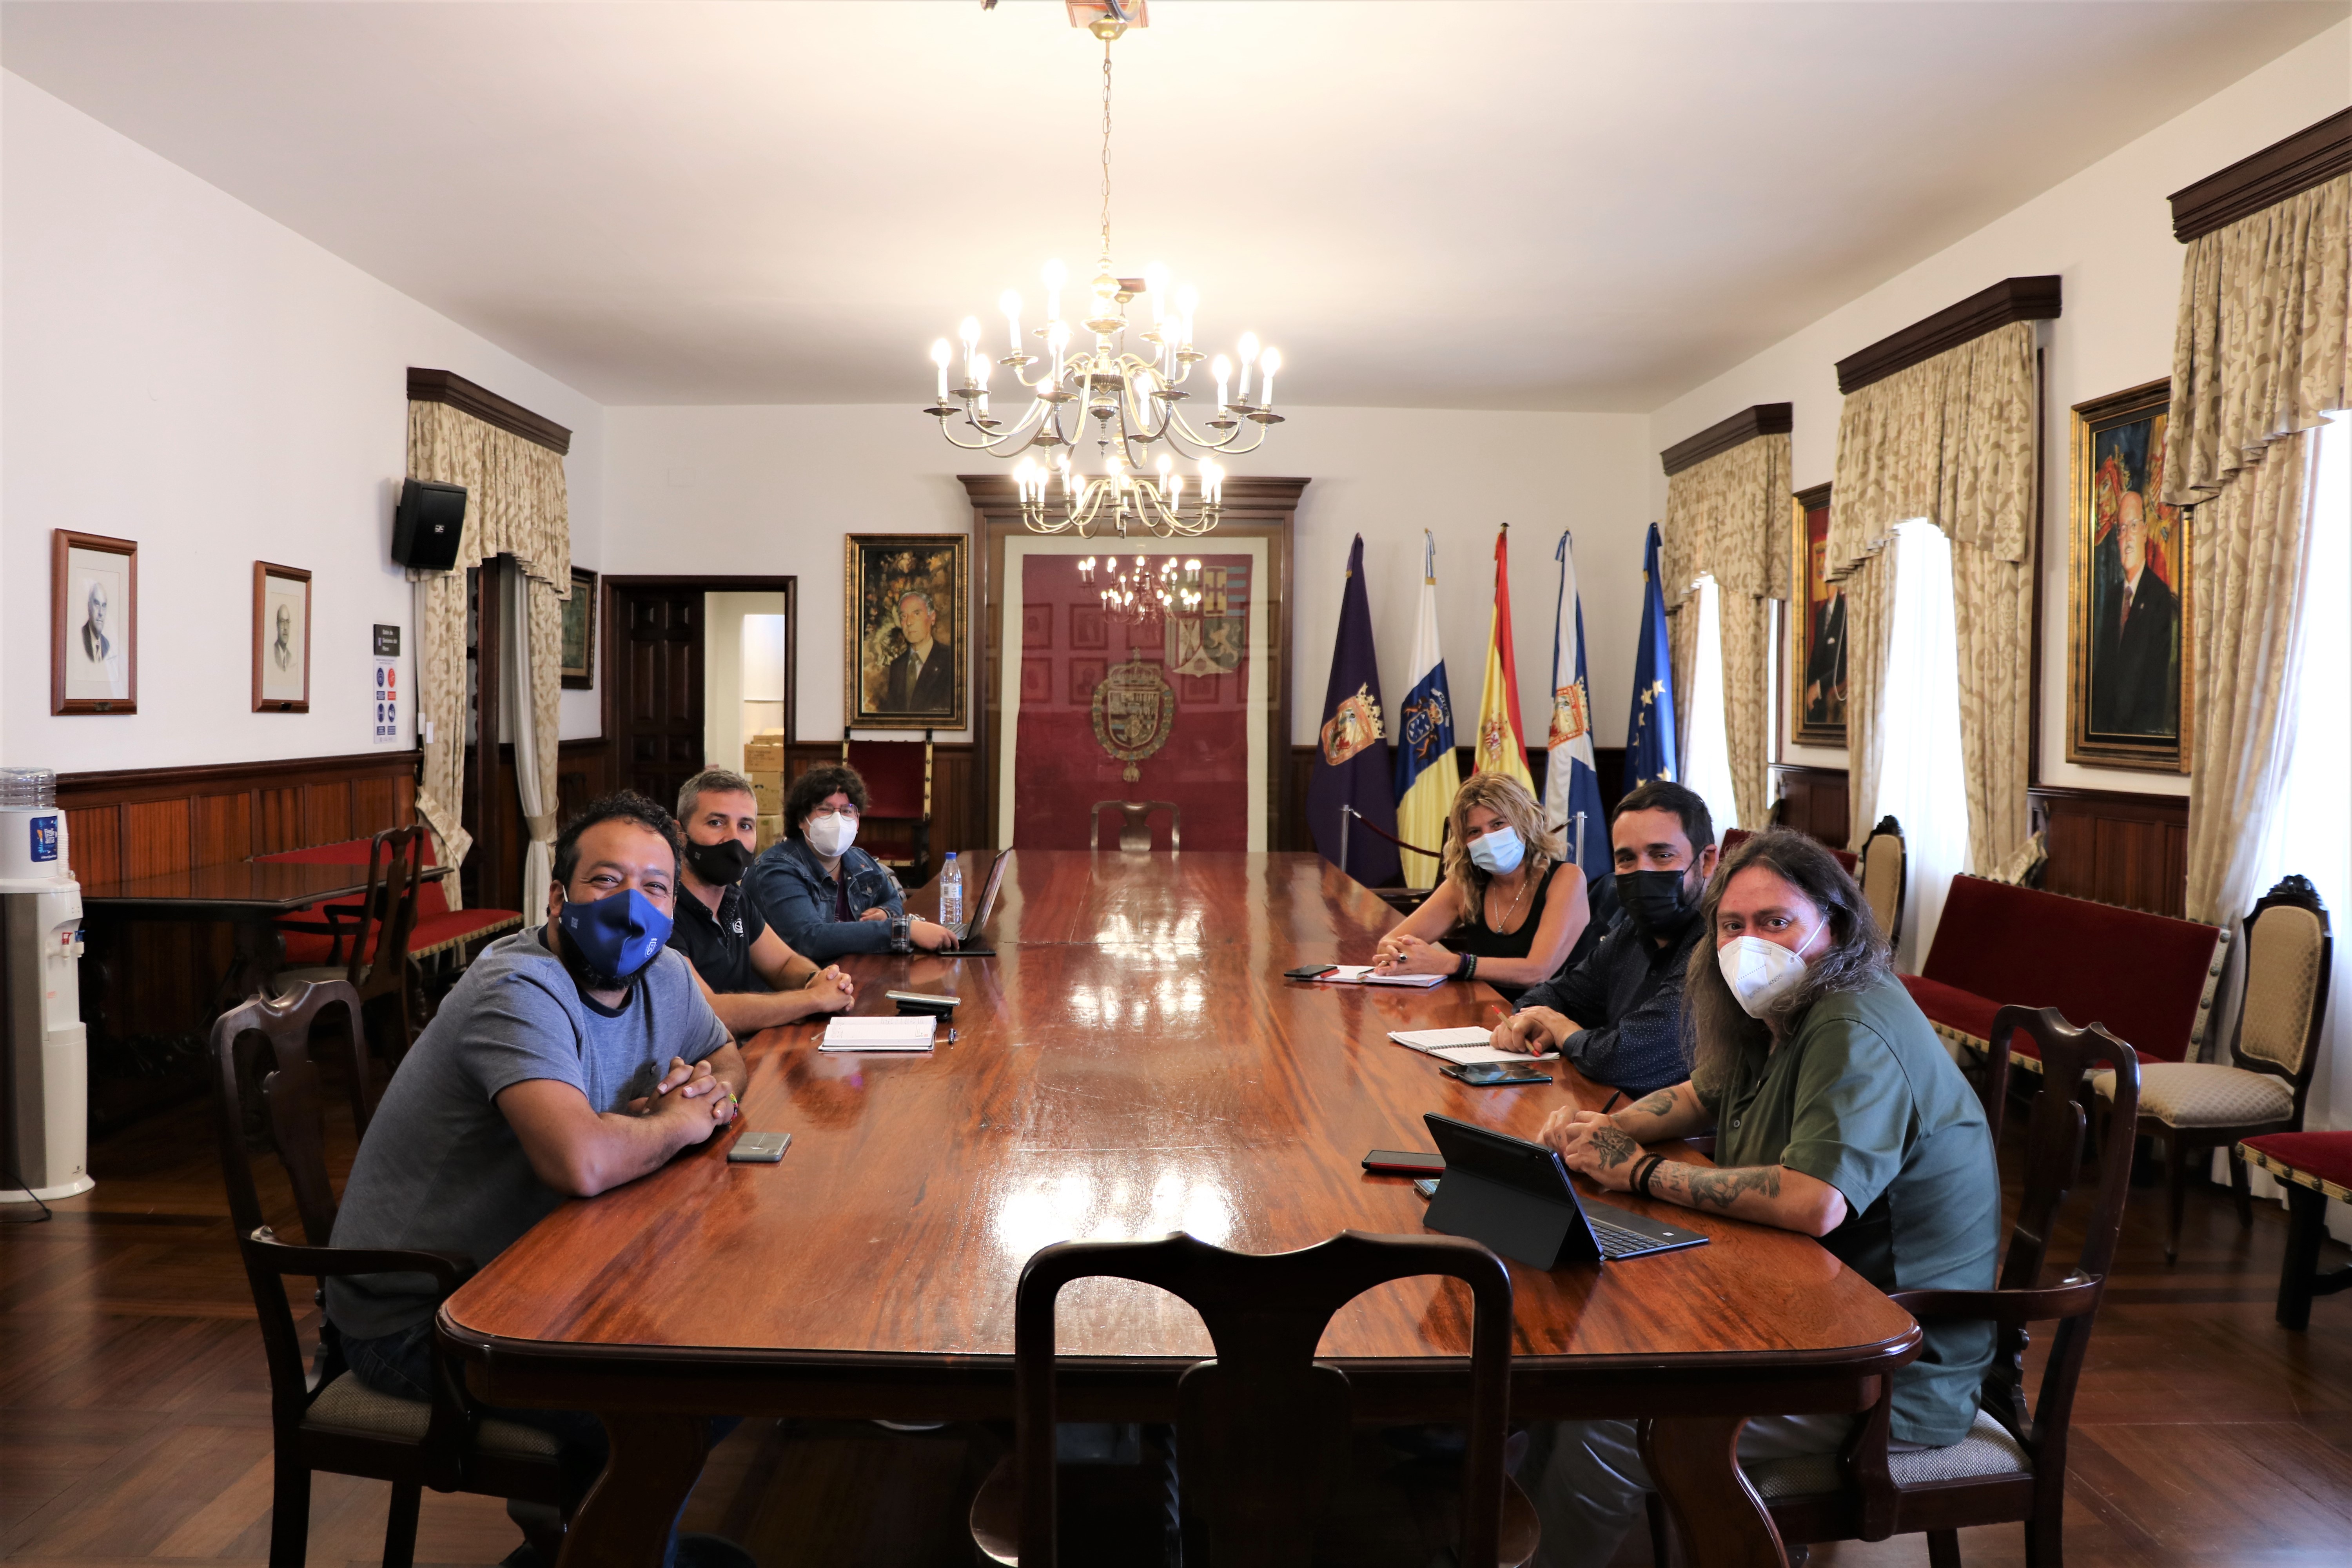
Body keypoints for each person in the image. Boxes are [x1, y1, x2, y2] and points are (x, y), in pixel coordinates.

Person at [1523, 827, 2001, 1568]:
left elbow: (1816, 1204)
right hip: (1794, 1309)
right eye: (1731, 925)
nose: (1750, 942)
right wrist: (1600, 1133)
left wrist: (1639, 1172)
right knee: (1580, 1370)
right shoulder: (1781, 1003)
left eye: (1775, 921)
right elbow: (1698, 1094)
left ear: (1833, 924)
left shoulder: (1854, 1023)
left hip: (1888, 1366)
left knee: (1610, 1419)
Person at [324, 792, 753, 1567]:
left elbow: (728, 1053)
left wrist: (705, 1085)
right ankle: (607, 1547)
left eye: (657, 887)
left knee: (725, 1360)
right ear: (558, 896)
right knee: (678, 1401)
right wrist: (679, 1124)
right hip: (424, 1313)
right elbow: (581, 1161)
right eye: (606, 880)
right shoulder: (518, 987)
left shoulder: (669, 973)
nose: (635, 905)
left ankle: (597, 1542)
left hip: (540, 1277)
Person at [1490, 780, 1715, 1098]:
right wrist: (1533, 1023)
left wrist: (1564, 1031)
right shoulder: (1633, 931)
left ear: (1706, 861)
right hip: (1602, 1111)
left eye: (1662, 855)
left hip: (1681, 1142)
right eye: (1626, 860)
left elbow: (1621, 1059)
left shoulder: (1719, 944)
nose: (1643, 872)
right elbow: (1553, 996)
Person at [669, 768, 859, 1034]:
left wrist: (818, 980)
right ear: (680, 834)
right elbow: (709, 1013)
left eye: (745, 826)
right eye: (716, 823)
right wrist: (814, 999)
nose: (733, 838)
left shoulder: (735, 900)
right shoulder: (664, 912)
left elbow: (783, 965)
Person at [1369, 773, 1587, 1001]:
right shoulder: (1465, 884)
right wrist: (1397, 955)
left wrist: (1448, 963)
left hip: (1556, 1023)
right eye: (1475, 832)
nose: (1488, 838)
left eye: (1498, 824)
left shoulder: (1567, 879)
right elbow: (1390, 942)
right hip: (1487, 1016)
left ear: (1525, 822)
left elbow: (1537, 972)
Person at [744, 763, 955, 963]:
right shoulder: (775, 870)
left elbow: (893, 900)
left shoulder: (859, 860)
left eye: (847, 811)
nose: (838, 819)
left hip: (852, 976)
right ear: (801, 820)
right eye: (825, 809)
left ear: (858, 819)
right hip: (795, 991)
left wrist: (886, 913)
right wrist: (904, 930)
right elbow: (810, 939)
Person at [2091, 488, 2179, 736]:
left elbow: (2156, 687)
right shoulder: (2112, 598)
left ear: (2145, 533)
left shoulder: (2160, 598)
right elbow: (2103, 675)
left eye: (2133, 526)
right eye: (2121, 529)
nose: (2127, 536)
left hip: (2141, 734)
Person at [881, 589, 956, 714]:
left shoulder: (951, 660)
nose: (909, 622)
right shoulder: (897, 667)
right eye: (904, 616)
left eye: (916, 614)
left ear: (932, 618)